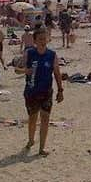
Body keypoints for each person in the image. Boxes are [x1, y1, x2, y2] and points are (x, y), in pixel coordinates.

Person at [22, 27, 64, 157]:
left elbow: (57, 73)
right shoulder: (29, 53)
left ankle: (41, 148)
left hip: (46, 92)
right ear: (34, 40)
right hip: (31, 91)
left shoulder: (52, 55)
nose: (43, 41)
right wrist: (26, 71)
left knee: (45, 119)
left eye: (44, 38)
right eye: (40, 39)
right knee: (33, 118)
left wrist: (60, 90)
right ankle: (30, 140)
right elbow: (19, 69)